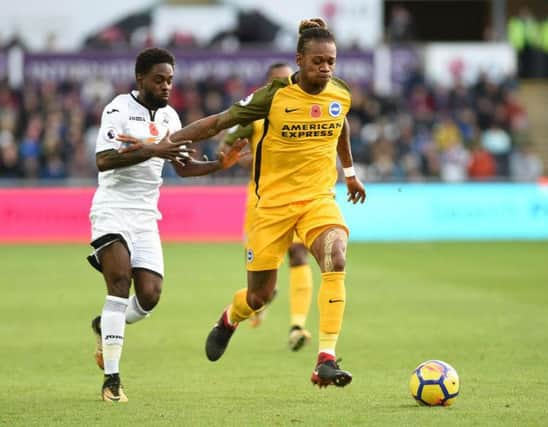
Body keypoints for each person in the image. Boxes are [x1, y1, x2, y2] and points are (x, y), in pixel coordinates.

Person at [158, 17, 366, 388]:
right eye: (318, 61)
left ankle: (326, 359)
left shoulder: (340, 92)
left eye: (331, 61)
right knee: (260, 296)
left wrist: (348, 172)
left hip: (318, 199)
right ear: (299, 60)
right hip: (270, 206)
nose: (325, 68)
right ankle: (229, 319)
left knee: (336, 257)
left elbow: (341, 121)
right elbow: (219, 122)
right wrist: (169, 142)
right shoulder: (273, 96)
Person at [88, 47, 245, 403]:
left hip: (145, 217)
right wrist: (153, 149)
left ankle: (104, 326)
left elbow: (184, 167)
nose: (165, 86)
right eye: (158, 79)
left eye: (170, 80)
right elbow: (103, 160)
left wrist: (220, 164)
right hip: (112, 210)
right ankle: (112, 380)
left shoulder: (172, 118)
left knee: (149, 296)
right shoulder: (117, 109)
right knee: (118, 283)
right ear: (140, 78)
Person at [221, 62, 314, 352]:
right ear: (267, 86)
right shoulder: (254, 115)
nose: (287, 85)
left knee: (299, 253)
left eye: (289, 79)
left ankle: (298, 326)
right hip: (263, 202)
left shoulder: (308, 110)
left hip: (300, 197)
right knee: (262, 285)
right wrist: (250, 158)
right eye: (279, 81)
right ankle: (257, 302)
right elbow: (226, 148)